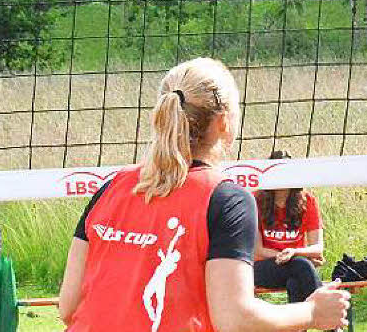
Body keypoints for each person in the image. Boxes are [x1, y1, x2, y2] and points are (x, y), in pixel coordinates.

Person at [58, 57, 350, 332]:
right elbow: (234, 318)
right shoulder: (226, 200)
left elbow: (68, 307)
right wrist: (312, 311)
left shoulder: (110, 188)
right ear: (224, 123)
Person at [254, 150, 325, 303]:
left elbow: (318, 248)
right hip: (262, 267)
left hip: (297, 266)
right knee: (302, 266)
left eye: (286, 172)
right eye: (277, 172)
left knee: (296, 283)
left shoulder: (307, 201)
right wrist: (293, 256)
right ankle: (331, 324)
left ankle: (298, 326)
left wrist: (294, 253)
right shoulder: (255, 200)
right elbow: (258, 250)